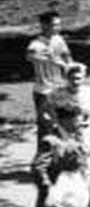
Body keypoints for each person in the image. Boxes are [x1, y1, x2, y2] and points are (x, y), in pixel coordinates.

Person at [29, 11, 72, 151]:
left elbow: (67, 57)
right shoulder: (36, 44)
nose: (58, 28)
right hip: (44, 91)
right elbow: (30, 55)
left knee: (63, 124)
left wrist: (69, 66)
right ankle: (42, 164)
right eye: (54, 25)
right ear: (44, 25)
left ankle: (59, 160)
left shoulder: (58, 39)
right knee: (46, 127)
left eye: (59, 24)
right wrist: (50, 59)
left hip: (60, 89)